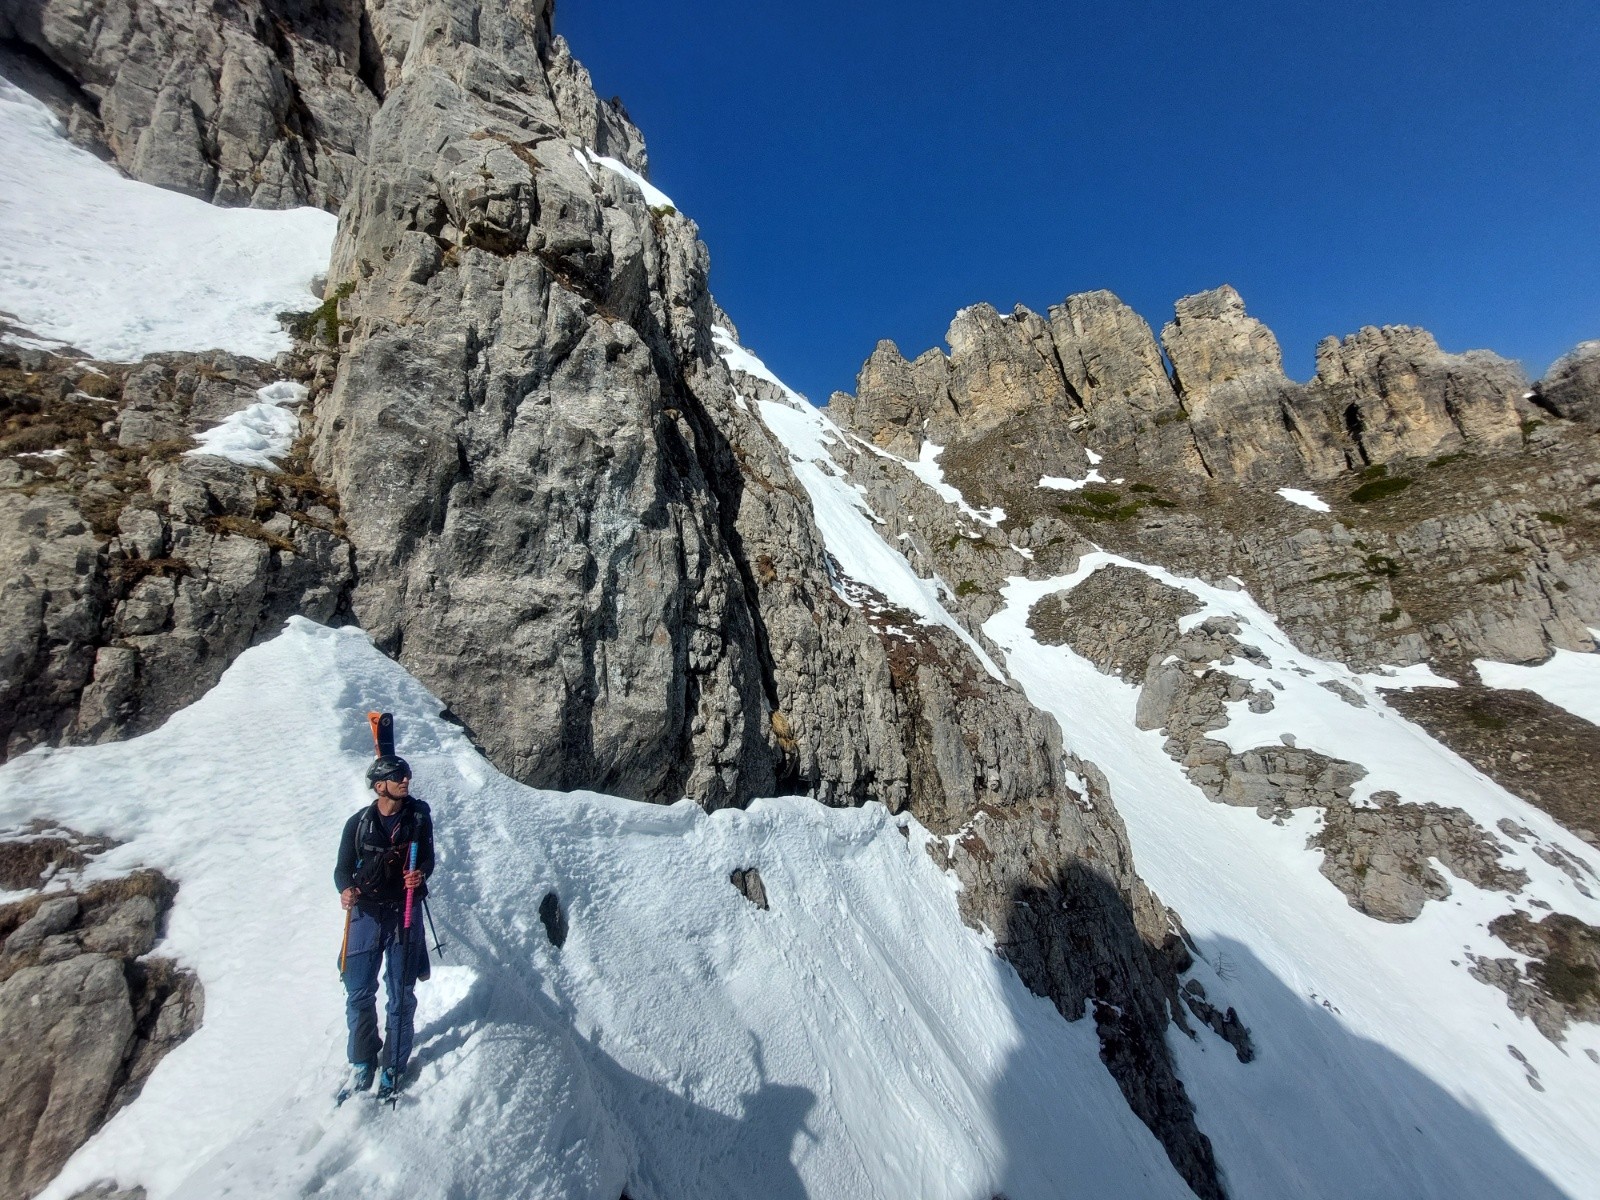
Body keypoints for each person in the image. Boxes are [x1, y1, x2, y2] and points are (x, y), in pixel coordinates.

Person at [334, 754, 435, 1100]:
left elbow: (428, 859)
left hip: (403, 912)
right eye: (398, 776)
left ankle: (393, 1064)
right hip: (365, 912)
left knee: (400, 991)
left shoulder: (417, 820)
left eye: (406, 774)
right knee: (358, 989)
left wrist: (420, 874)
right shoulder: (358, 823)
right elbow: (342, 869)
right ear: (380, 786)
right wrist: (345, 889)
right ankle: (363, 1060)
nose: (406, 780)